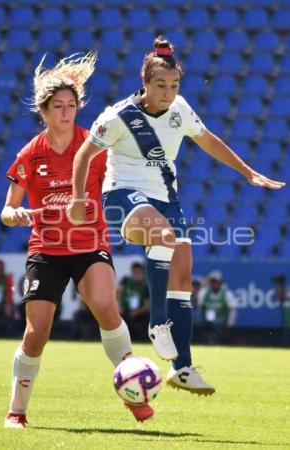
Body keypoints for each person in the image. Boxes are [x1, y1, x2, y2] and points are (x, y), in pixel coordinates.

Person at [67, 36, 285, 395]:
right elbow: (83, 156)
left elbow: (208, 139)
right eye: (160, 86)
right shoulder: (118, 117)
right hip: (122, 196)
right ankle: (157, 325)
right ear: (145, 84)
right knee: (164, 236)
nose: (168, 93)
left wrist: (248, 172)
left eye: (174, 85)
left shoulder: (180, 109)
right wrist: (77, 199)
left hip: (167, 199)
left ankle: (182, 368)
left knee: (182, 273)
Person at [1, 52, 153, 428]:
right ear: (44, 110)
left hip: (90, 245)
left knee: (105, 305)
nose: (67, 112)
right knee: (36, 335)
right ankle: (16, 411)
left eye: (72, 105)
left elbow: (120, 178)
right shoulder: (30, 154)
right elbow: (7, 210)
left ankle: (133, 393)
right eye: (59, 106)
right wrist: (14, 215)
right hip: (46, 251)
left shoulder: (93, 146)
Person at [198, 270, 237, 344]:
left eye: (216, 282)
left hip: (220, 317)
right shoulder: (204, 292)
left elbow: (233, 309)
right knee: (198, 321)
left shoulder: (226, 293)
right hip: (205, 317)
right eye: (212, 282)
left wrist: (230, 324)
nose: (214, 284)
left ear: (220, 282)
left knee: (217, 323)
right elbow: (199, 306)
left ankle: (215, 340)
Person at [117, 262, 150, 341]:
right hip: (125, 310)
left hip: (140, 313)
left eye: (139, 273)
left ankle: (142, 339)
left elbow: (147, 305)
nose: (136, 276)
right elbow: (118, 293)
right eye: (135, 273)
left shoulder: (146, 286)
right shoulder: (125, 281)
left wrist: (136, 312)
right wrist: (120, 306)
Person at [272, 275, 290, 347]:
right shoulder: (282, 298)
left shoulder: (286, 293)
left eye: (277, 286)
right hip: (287, 327)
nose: (275, 289)